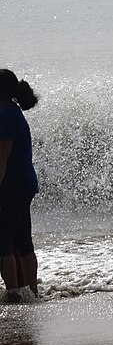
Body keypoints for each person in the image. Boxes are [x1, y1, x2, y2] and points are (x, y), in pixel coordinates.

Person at [0, 70, 40, 302]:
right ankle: (32, 292)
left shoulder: (5, 114)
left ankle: (14, 293)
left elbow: (2, 156)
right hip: (24, 183)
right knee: (22, 239)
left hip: (12, 185)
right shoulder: (13, 112)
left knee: (2, 240)